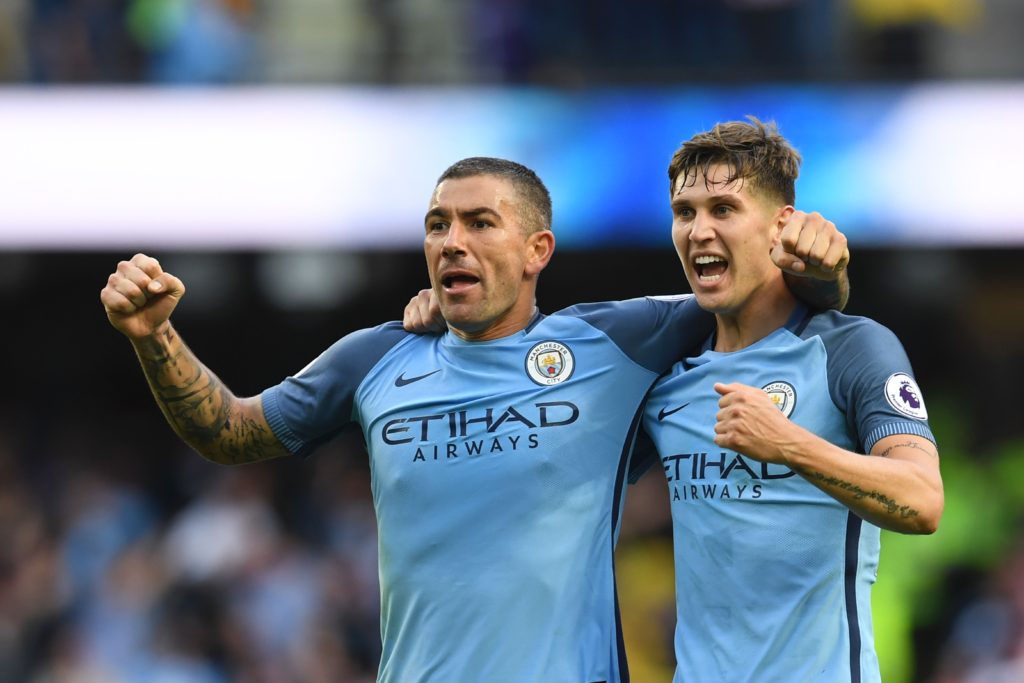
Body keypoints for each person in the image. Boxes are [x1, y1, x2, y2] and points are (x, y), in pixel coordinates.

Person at [100, 156, 846, 682]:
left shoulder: (614, 341)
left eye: (479, 223)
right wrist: (154, 337)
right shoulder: (377, 358)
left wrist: (825, 265)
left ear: (536, 251)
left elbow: (766, 297)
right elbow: (230, 431)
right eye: (437, 224)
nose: (451, 240)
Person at [641, 118, 943, 682]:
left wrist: (789, 444)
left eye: (724, 209)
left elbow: (923, 500)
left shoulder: (850, 348)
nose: (699, 230)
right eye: (685, 213)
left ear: (783, 225)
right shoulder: (667, 378)